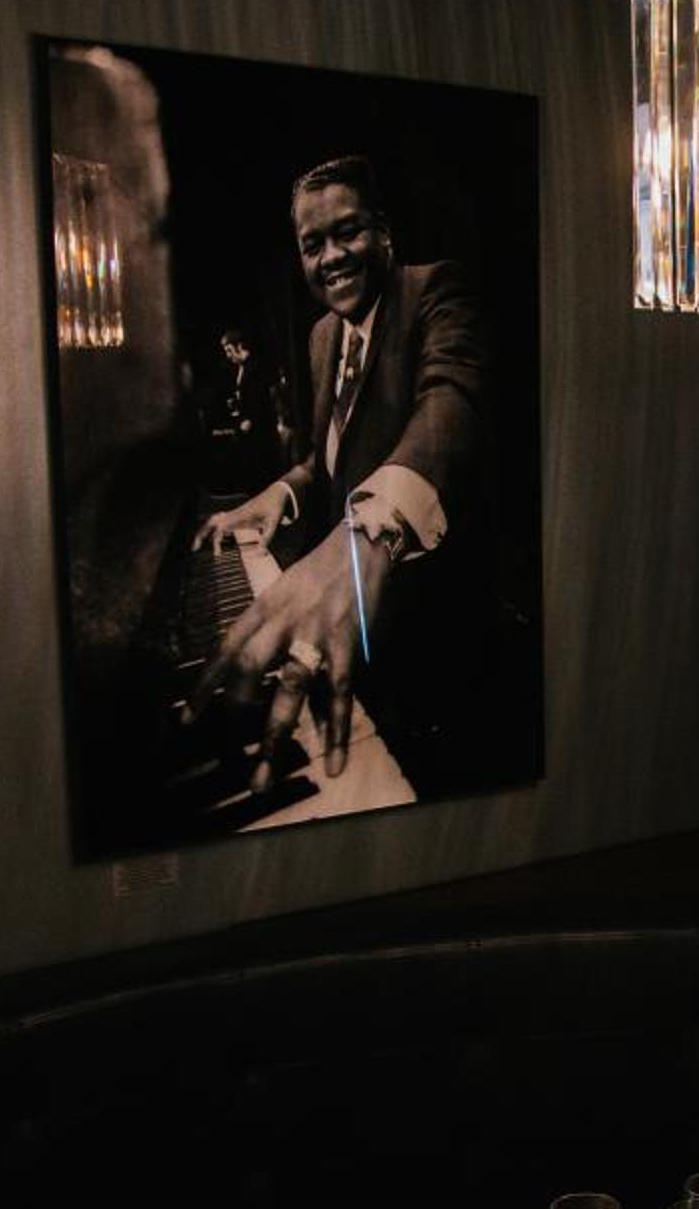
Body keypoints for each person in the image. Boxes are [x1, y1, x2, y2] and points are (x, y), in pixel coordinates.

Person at [187, 155, 487, 792]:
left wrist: (370, 532)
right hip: (350, 639)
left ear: (384, 232)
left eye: (347, 232)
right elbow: (326, 459)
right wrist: (283, 490)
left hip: (435, 639)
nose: (331, 257)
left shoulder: (436, 291)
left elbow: (449, 404)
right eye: (312, 244)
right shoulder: (323, 334)